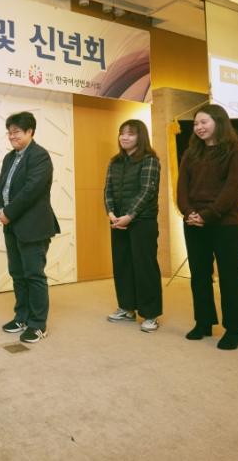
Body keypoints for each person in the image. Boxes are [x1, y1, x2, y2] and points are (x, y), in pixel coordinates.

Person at [177, 104, 238, 350]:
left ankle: (235, 330)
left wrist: (207, 215)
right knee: (199, 275)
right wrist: (189, 212)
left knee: (230, 276)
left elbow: (232, 189)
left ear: (219, 122)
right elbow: (182, 188)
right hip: (194, 222)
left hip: (227, 224)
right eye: (196, 124)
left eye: (203, 122)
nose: (198, 127)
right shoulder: (191, 153)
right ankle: (204, 322)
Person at [0, 111, 60, 344]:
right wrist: (0, 209)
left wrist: (8, 213)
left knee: (34, 275)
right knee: (17, 274)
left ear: (30, 131)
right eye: (9, 132)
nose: (12, 136)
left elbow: (32, 191)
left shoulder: (40, 156)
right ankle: (21, 317)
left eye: (17, 132)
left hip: (33, 225)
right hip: (11, 225)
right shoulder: (9, 157)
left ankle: (38, 324)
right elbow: (0, 187)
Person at [103, 119, 162, 332]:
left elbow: (147, 191)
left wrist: (129, 215)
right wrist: (111, 213)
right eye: (122, 133)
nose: (124, 137)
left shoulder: (149, 160)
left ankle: (150, 314)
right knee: (122, 265)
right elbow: (107, 190)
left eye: (130, 133)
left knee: (144, 267)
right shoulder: (115, 161)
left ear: (140, 136)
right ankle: (127, 308)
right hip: (118, 221)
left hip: (142, 221)